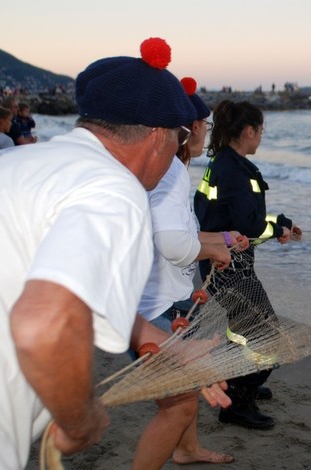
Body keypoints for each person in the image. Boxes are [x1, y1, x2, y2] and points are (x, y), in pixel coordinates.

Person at [0, 37, 230, 469]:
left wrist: (155, 339)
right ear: (158, 136)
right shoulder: (115, 191)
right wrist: (81, 419)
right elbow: (43, 322)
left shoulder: (18, 166)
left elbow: (45, 280)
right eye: (180, 136)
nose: (179, 149)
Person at [132, 77, 244, 469]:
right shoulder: (173, 173)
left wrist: (222, 237)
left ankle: (187, 450)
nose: (206, 134)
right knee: (177, 406)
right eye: (205, 126)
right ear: (192, 128)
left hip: (163, 300)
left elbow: (180, 232)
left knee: (184, 389)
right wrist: (211, 248)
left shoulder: (168, 167)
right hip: (154, 306)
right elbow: (171, 241)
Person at [194, 100, 298, 430]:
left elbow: (238, 220)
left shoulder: (223, 163)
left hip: (222, 260)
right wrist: (276, 229)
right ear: (249, 130)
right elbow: (248, 227)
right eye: (261, 131)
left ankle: (240, 380)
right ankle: (237, 400)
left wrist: (276, 223)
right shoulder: (234, 171)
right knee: (268, 336)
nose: (261, 137)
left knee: (242, 331)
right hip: (229, 266)